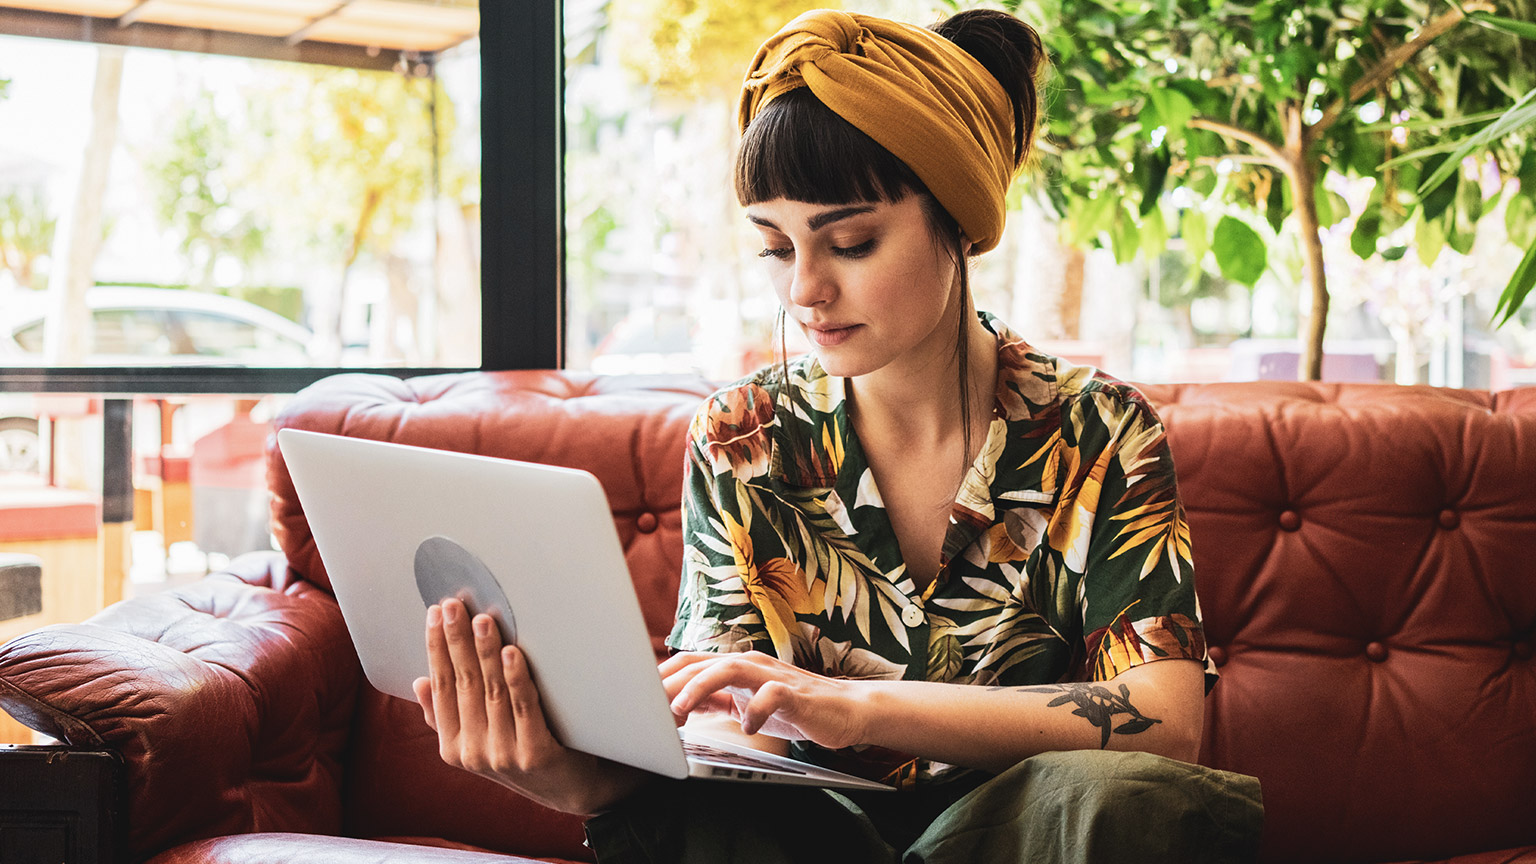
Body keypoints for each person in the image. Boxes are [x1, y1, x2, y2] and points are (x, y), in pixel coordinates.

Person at [414, 7, 1265, 863]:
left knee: (1121, 796)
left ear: (959, 221)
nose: (805, 290)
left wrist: (856, 705)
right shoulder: (742, 434)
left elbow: (1165, 718)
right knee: (704, 818)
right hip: (814, 839)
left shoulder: (1102, 430)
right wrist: (570, 780)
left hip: (1030, 838)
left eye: (850, 242)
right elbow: (716, 728)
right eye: (776, 249)